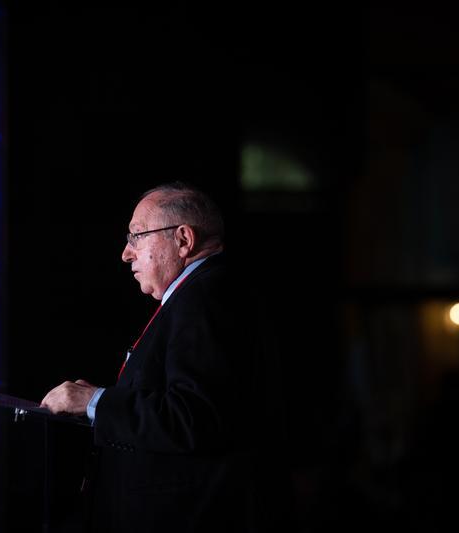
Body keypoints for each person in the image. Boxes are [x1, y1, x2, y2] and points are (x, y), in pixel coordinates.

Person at [41, 182, 287, 533]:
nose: (126, 253)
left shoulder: (204, 298)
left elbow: (192, 416)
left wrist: (95, 401)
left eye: (137, 236)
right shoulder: (204, 293)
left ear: (183, 240)